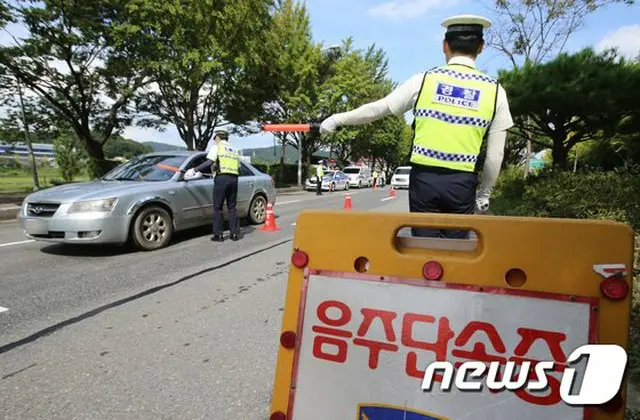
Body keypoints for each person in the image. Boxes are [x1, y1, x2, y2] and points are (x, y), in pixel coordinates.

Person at [319, 14, 513, 239]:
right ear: (480, 47)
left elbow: (378, 109)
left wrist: (336, 119)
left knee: (424, 253)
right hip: (462, 184)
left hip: (424, 182)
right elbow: (495, 155)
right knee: (457, 257)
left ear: (444, 45)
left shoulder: (424, 80)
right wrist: (483, 196)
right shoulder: (496, 92)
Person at [185, 127, 241, 242]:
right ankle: (234, 234)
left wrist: (194, 170)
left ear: (218, 137)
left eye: (215, 138)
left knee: (218, 207)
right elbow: (238, 167)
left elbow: (209, 161)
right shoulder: (234, 150)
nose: (214, 140)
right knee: (232, 207)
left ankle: (218, 235)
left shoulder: (217, 147)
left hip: (221, 179)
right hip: (234, 179)